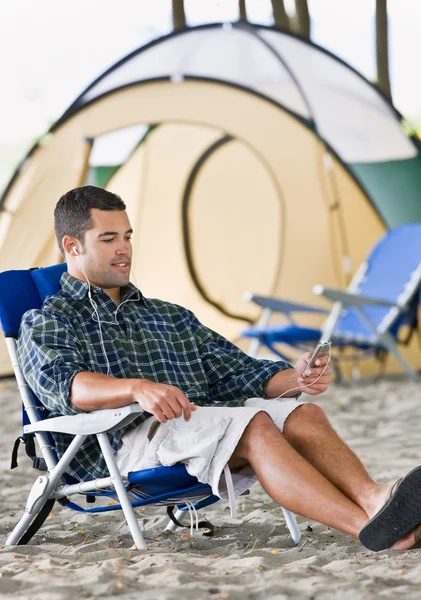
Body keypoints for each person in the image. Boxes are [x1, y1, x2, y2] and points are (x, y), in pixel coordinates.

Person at [17, 186, 421, 552]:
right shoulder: (49, 319)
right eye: (108, 239)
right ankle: (368, 527)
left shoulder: (168, 316)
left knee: (303, 414)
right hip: (121, 441)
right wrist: (136, 388)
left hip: (194, 425)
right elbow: (67, 386)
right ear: (71, 246)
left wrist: (296, 378)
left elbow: (240, 372)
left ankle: (375, 500)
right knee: (255, 425)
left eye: (127, 236)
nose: (124, 249)